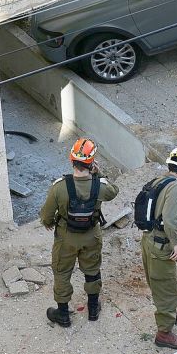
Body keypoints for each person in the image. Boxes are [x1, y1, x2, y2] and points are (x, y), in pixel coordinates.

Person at [39, 138, 118, 327]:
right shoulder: (101, 186)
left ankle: (63, 315)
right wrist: (100, 174)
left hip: (66, 237)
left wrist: (49, 223)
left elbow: (46, 215)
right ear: (91, 163)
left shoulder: (59, 187)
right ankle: (92, 309)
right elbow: (114, 191)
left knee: (62, 272)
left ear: (71, 159)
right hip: (91, 235)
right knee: (92, 270)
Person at [141, 147, 177, 349]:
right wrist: (176, 245)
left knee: (160, 283)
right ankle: (164, 333)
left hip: (148, 240)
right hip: (161, 245)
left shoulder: (159, 181)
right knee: (168, 288)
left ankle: (170, 314)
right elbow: (171, 221)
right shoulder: (176, 187)